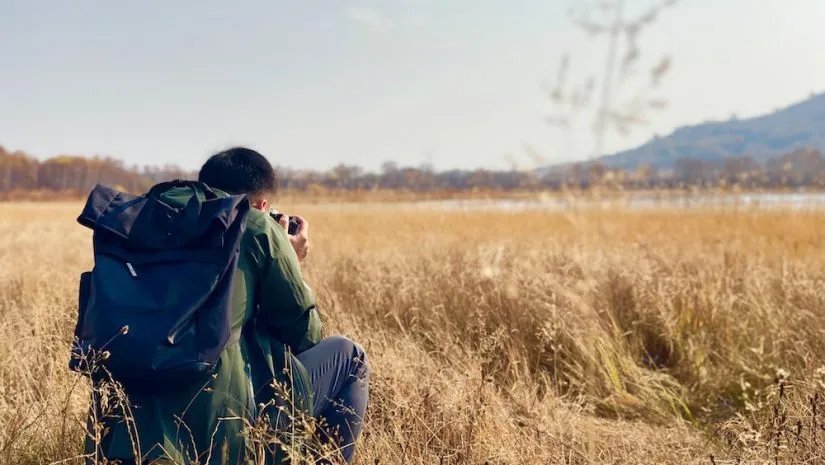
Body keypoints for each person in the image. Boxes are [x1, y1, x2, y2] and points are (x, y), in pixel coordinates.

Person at [198, 147, 370, 465]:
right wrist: (291, 258)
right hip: (223, 427)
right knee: (350, 356)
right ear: (262, 205)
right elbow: (305, 334)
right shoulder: (257, 228)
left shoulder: (152, 229)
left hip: (129, 431)